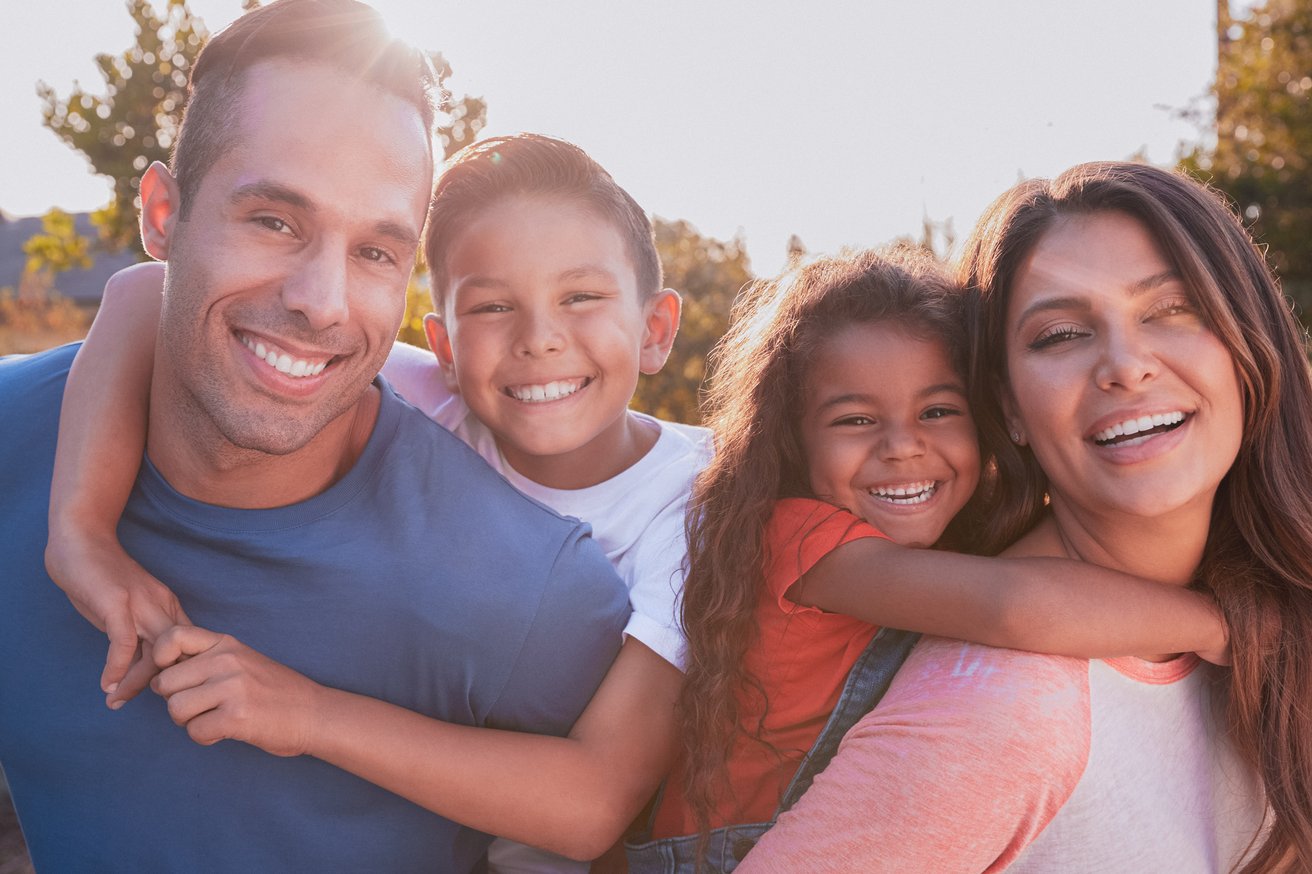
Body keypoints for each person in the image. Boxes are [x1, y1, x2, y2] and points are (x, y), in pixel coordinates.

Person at [0, 3, 629, 872]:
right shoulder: (17, 441)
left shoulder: (529, 593)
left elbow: (619, 820)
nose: (321, 303)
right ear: (162, 215)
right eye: (274, 220)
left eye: (375, 252)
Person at [737, 162, 1312, 872]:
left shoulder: (1271, 612)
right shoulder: (1002, 709)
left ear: (1249, 341)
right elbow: (1011, 607)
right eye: (1061, 334)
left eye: (1172, 309)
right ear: (1007, 406)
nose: (1126, 365)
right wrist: (1227, 628)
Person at [624, 245, 1233, 872]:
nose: (903, 446)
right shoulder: (801, 540)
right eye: (855, 420)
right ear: (791, 440)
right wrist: (1219, 626)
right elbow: (1010, 604)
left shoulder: (943, 538)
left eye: (938, 411)